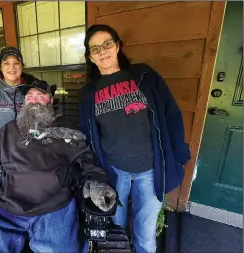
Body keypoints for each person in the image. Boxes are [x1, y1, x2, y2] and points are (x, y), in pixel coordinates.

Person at [0, 80, 117, 253]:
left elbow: (88, 163)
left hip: (55, 209)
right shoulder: (9, 131)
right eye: (29, 97)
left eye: (40, 96)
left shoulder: (68, 129)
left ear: (50, 100)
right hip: (9, 211)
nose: (34, 100)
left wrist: (97, 182)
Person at [79, 24, 191, 253]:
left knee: (146, 234)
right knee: (114, 229)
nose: (103, 51)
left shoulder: (144, 75)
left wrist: (179, 155)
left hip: (150, 170)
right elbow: (89, 134)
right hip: (113, 171)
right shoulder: (90, 92)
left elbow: (171, 114)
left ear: (118, 46)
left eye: (107, 44)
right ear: (90, 57)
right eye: (95, 49)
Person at [0, 47, 37, 136]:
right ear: (0, 66)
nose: (12, 67)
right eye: (6, 63)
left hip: (28, 144)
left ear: (21, 66)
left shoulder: (34, 88)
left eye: (16, 63)